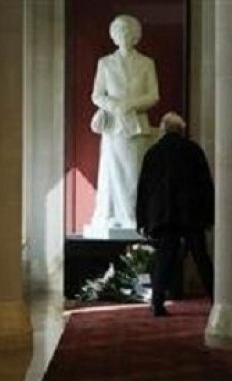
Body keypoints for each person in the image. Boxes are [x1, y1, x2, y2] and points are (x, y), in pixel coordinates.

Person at [86, 14, 159, 236]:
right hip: (115, 127)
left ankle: (134, 217)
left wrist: (131, 104)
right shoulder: (105, 63)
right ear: (113, 36)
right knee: (113, 173)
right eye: (119, 32)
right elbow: (97, 95)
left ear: (136, 36)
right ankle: (115, 216)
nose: (123, 36)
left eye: (128, 32)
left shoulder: (146, 63)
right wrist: (116, 106)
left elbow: (153, 95)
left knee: (133, 173)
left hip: (136, 126)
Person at [136, 112, 215, 316]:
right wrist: (209, 215)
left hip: (164, 216)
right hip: (191, 215)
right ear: (182, 130)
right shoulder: (193, 150)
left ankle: (157, 303)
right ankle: (217, 299)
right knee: (201, 258)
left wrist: (142, 219)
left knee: (164, 258)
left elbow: (144, 189)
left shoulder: (153, 152)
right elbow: (205, 185)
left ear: (163, 130)